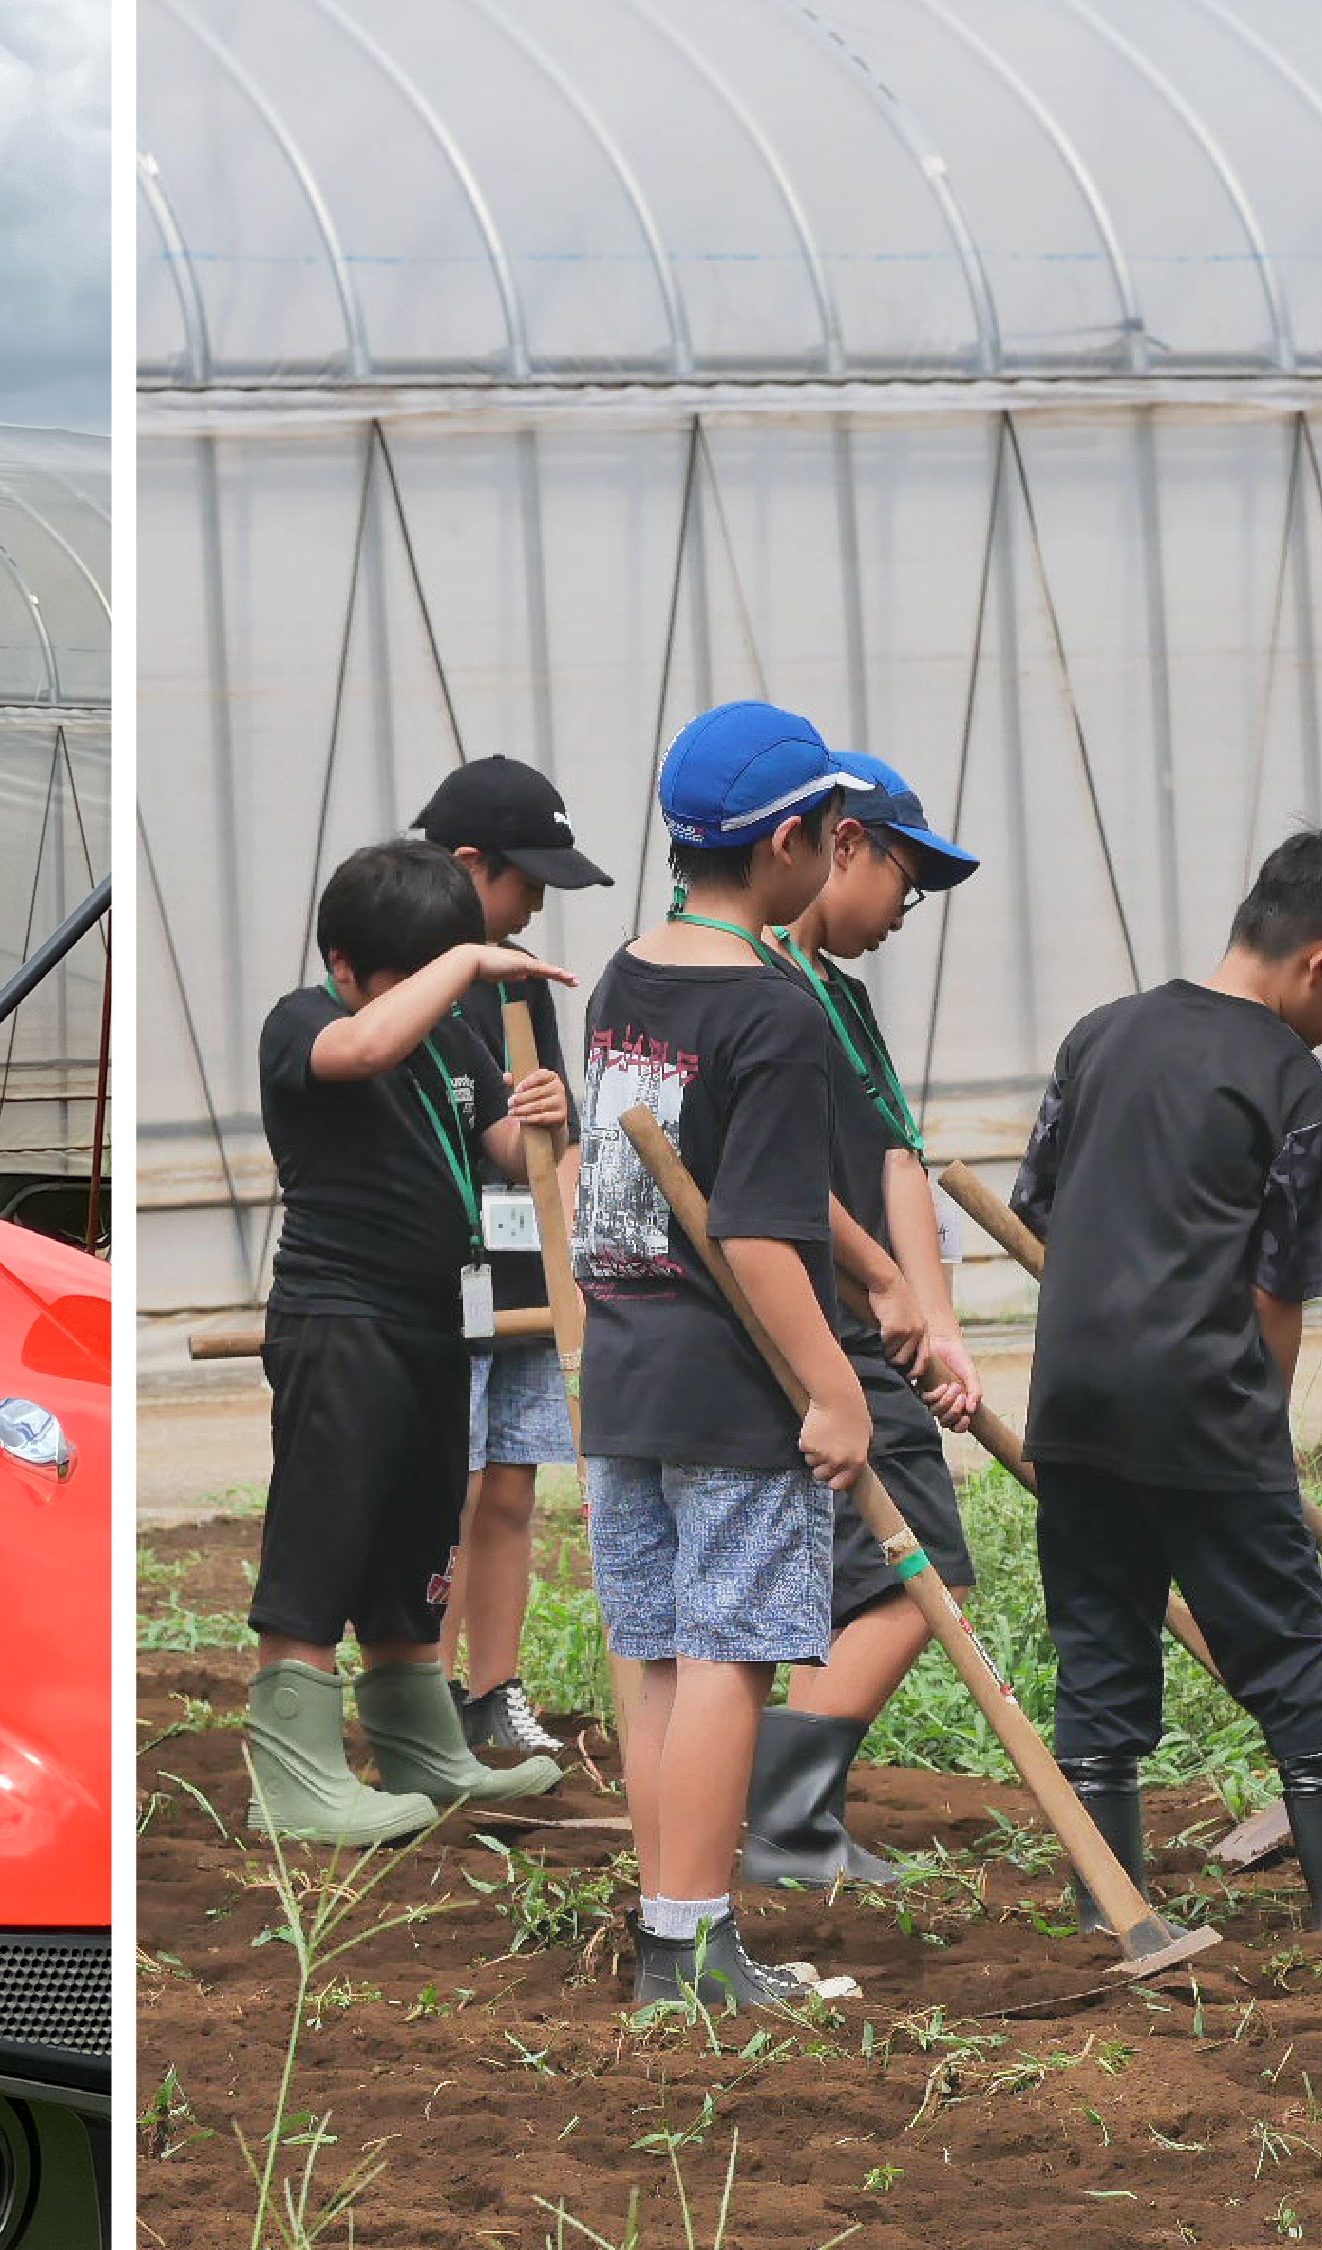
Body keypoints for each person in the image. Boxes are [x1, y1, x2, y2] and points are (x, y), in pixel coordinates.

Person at [1013, 829, 1322, 1946]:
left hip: (1068, 1410)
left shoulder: (1099, 1035)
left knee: (1099, 1644)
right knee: (1287, 1643)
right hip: (1204, 1411)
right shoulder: (1297, 1089)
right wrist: (1258, 1426)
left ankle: (1102, 1899)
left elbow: (1041, 1204)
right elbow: (1281, 1290)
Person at [571, 701, 866, 2008]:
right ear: (791, 842)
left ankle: (671, 1931)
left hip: (624, 1374)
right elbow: (755, 1237)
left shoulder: (625, 975)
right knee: (728, 1660)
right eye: (835, 832)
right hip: (731, 1384)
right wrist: (837, 1387)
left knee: (661, 1658)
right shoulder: (775, 1012)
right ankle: (691, 1950)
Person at [244, 840, 575, 1844]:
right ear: (344, 965)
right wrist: (465, 967)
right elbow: (363, 1050)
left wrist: (546, 1123)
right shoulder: (306, 1022)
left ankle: (421, 1743)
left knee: (414, 1540)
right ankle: (295, 1773)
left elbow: (511, 1155)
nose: (438, 992)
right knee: (326, 1530)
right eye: (417, 972)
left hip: (438, 1323)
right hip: (340, 1320)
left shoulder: (446, 1042)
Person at [739, 748, 983, 1888]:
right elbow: (771, 1173)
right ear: (841, 844)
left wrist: (937, 1324)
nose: (904, 908)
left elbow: (896, 1159)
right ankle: (779, 1823)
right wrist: (880, 1288)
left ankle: (792, 1818)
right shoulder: (759, 986)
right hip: (814, 1327)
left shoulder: (840, 995)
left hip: (868, 1321)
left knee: (866, 1577)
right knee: (910, 1567)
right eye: (904, 875)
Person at [410, 756, 617, 1759]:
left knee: (508, 1483)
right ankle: (427, 1696)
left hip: (524, 1269)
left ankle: (493, 1689)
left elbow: (559, 1135)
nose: (536, 901)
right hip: (438, 1271)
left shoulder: (521, 987)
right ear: (463, 864)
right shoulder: (397, 979)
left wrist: (571, 1246)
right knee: (445, 1481)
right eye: (524, 879)